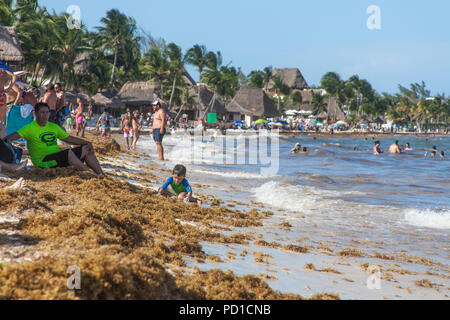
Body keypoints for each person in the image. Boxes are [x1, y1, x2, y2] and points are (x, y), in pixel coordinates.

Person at [3, 103, 103, 175]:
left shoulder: (53, 126)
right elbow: (10, 137)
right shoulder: (29, 128)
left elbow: (68, 138)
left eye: (47, 112)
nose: (45, 115)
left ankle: (101, 175)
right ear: (36, 114)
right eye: (42, 112)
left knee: (86, 149)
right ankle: (88, 174)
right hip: (43, 162)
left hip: (57, 159)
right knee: (68, 153)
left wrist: (86, 142)